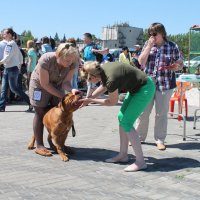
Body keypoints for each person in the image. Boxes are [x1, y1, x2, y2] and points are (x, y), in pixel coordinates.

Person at [79, 61, 155, 172]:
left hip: (144, 89)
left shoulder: (111, 79)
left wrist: (90, 100)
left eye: (89, 79)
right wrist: (88, 99)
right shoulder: (103, 68)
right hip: (137, 88)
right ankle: (123, 155)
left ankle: (140, 162)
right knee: (121, 117)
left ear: (94, 76)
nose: (89, 82)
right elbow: (104, 86)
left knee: (126, 122)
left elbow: (112, 102)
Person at [136, 22, 183, 150]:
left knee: (161, 114)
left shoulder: (172, 46)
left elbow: (180, 63)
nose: (152, 36)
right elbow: (140, 62)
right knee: (143, 112)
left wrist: (176, 66)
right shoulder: (148, 44)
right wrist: (148, 46)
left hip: (165, 84)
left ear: (162, 33)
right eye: (150, 34)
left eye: (154, 34)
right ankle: (138, 137)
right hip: (148, 83)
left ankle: (160, 139)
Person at [29, 42, 80, 156]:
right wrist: (63, 97)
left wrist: (72, 90)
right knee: (40, 112)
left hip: (57, 85)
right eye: (67, 60)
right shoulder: (46, 59)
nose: (69, 63)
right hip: (39, 86)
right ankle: (39, 145)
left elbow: (66, 82)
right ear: (58, 56)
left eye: (71, 60)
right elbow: (45, 84)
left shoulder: (72, 63)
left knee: (56, 110)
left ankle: (59, 144)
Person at [0, 28, 33, 112]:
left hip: (11, 69)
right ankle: (1, 107)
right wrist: (19, 65)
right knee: (5, 88)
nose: (3, 35)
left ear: (10, 34)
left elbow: (8, 57)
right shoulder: (12, 44)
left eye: (4, 34)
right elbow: (20, 56)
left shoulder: (10, 44)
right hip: (9, 69)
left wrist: (1, 62)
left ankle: (30, 102)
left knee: (14, 88)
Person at [82, 33, 107, 97]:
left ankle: (87, 98)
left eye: (84, 38)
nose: (83, 39)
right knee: (91, 84)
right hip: (86, 67)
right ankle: (99, 95)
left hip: (93, 68)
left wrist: (95, 50)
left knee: (90, 84)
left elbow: (105, 52)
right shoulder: (85, 47)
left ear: (88, 38)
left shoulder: (95, 46)